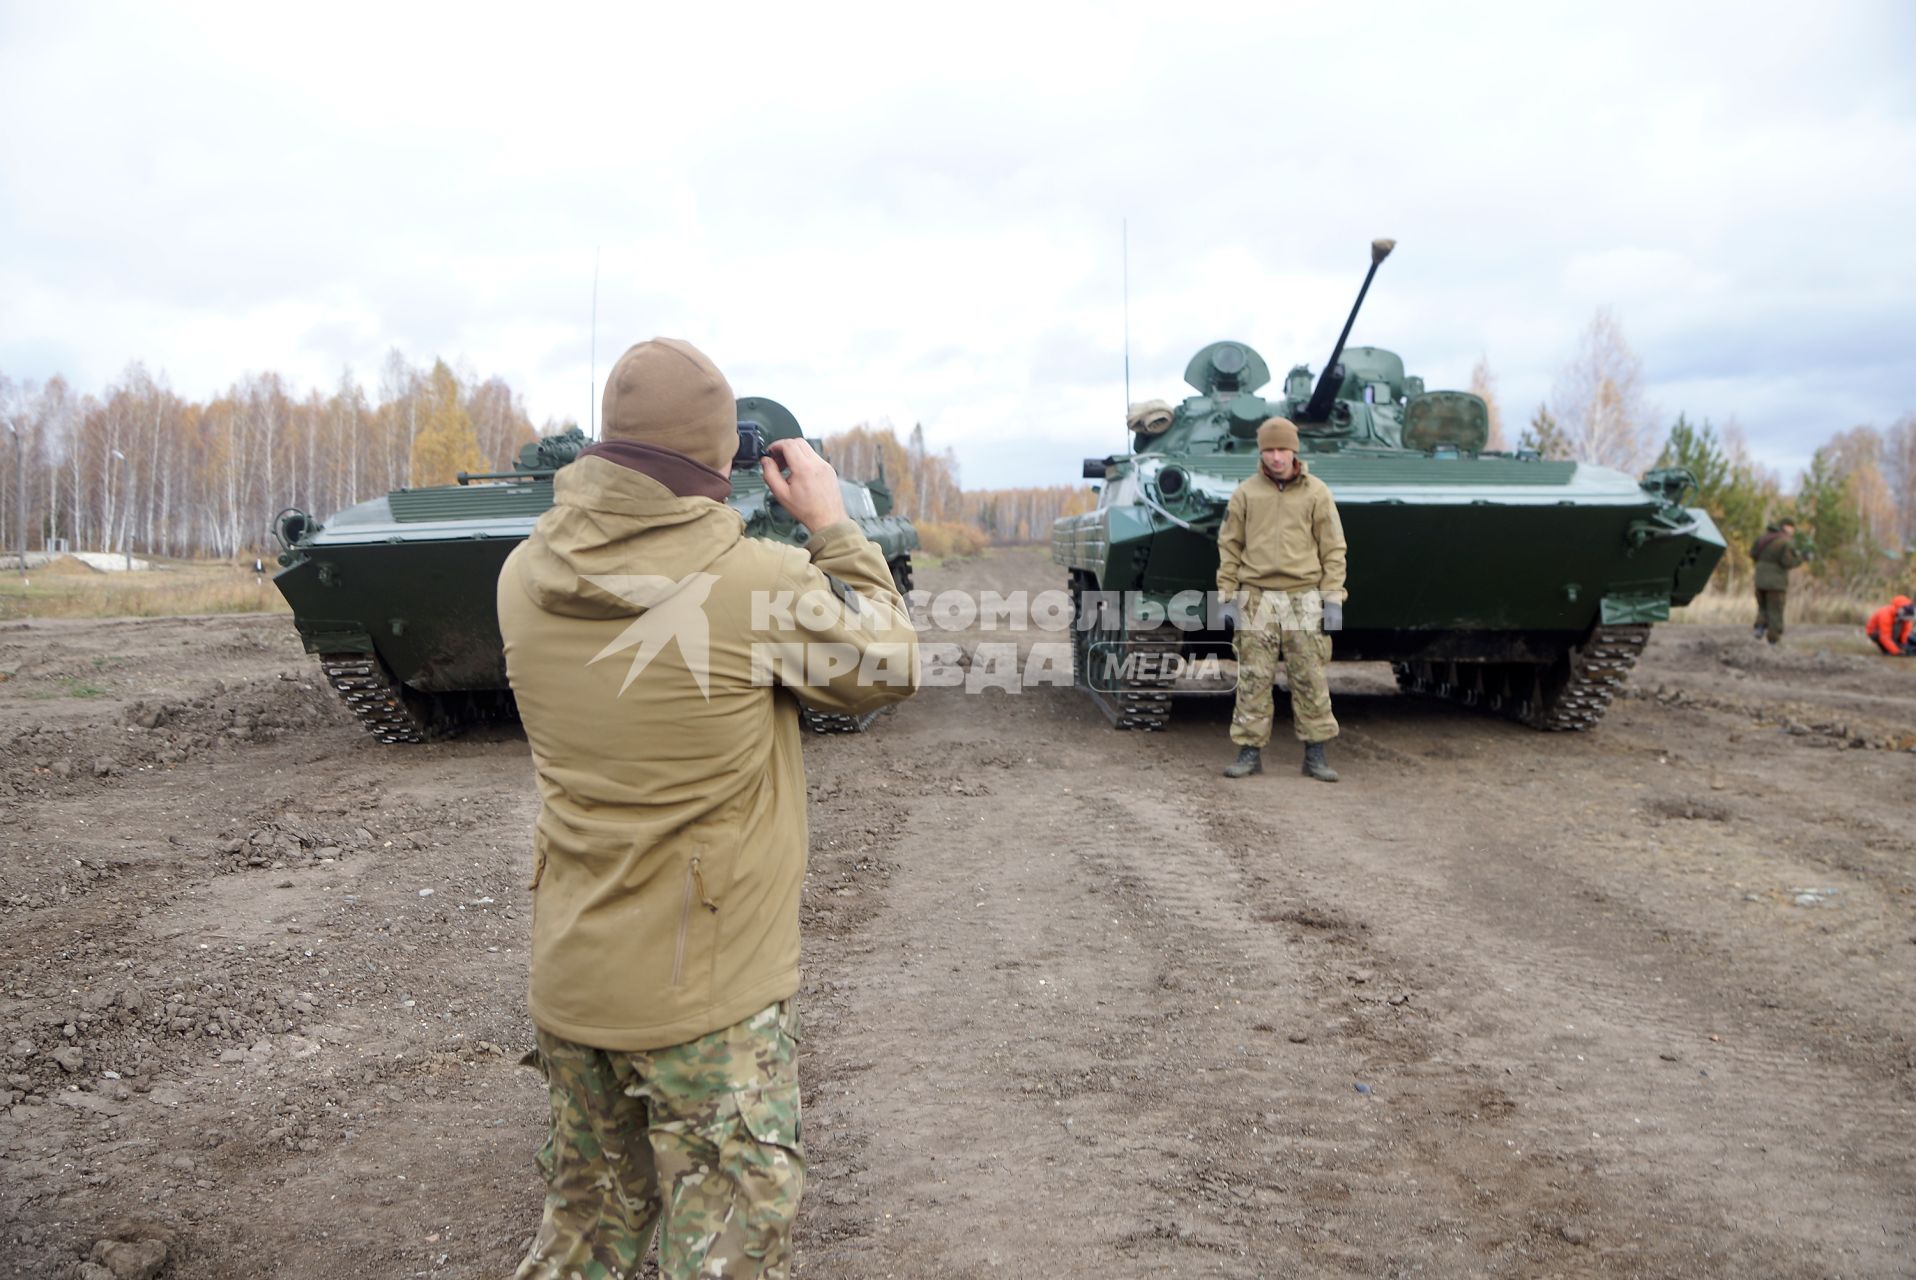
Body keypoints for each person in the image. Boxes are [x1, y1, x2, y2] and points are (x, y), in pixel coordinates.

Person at [496, 337, 919, 1279]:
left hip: (573, 976)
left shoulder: (521, 575)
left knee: (585, 1226)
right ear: (719, 458)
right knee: (727, 1244)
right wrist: (836, 525)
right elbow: (889, 666)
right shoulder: (756, 583)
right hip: (709, 1000)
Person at [1216, 416, 1348, 782]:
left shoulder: (1316, 493)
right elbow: (1229, 547)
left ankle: (1316, 754)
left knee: (1309, 675)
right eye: (1270, 450)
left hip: (1303, 596)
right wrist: (1226, 596)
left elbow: (1333, 549)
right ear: (1261, 452)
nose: (1276, 457)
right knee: (1254, 677)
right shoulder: (1246, 493)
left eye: (1283, 449)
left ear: (1294, 450)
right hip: (1256, 596)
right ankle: (1249, 752)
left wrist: (1333, 599)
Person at [1749, 519, 1805, 645]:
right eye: (1792, 527)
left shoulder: (1762, 538)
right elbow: (1787, 562)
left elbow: (1752, 554)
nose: (1793, 531)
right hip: (1776, 583)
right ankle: (1774, 639)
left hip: (1759, 579)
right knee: (1776, 609)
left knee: (1762, 606)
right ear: (1786, 527)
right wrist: (1801, 559)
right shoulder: (1785, 541)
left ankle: (1759, 627)